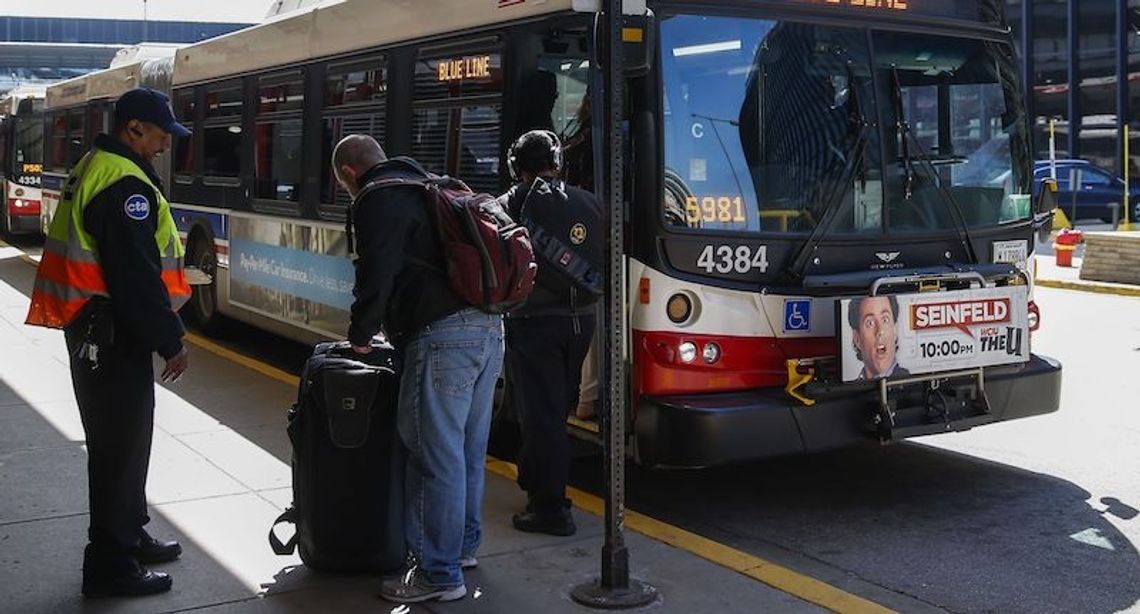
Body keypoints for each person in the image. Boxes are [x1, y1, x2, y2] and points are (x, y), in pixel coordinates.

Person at [25, 87, 192, 598]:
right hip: (110, 331)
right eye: (161, 134)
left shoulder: (99, 165)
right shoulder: (123, 185)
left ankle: (130, 531)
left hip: (99, 329)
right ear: (134, 128)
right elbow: (135, 277)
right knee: (117, 448)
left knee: (128, 440)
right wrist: (172, 339)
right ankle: (110, 565)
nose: (166, 144)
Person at [332, 135, 504, 604]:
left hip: (442, 334)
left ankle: (437, 572)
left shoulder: (377, 197)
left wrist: (361, 334)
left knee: (433, 454)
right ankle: (462, 550)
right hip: (489, 328)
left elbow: (377, 271)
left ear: (349, 173)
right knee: (467, 449)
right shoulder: (427, 184)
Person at [499, 129, 603, 536]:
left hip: (534, 322)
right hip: (582, 322)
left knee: (541, 416)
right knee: (556, 410)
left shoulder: (513, 202)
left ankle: (549, 508)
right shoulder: (590, 201)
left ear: (516, 167)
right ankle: (543, 483)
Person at [848, 295, 910, 380]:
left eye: (885, 320)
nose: (880, 331)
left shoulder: (911, 383)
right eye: (870, 323)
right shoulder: (851, 389)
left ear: (895, 329)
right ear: (857, 338)